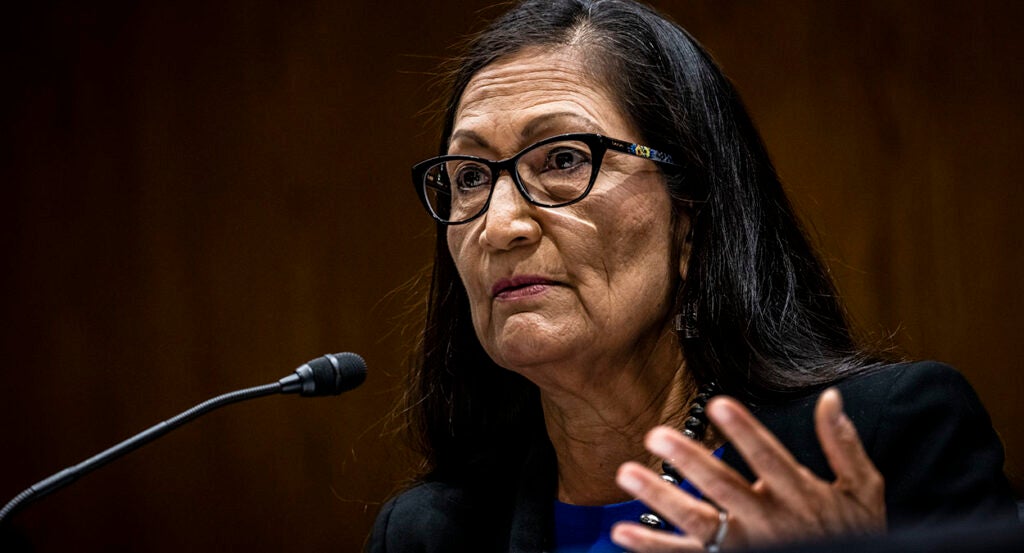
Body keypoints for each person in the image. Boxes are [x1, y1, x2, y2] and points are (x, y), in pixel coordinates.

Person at [369, 1, 1018, 551]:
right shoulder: (431, 532)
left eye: (563, 158)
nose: (499, 224)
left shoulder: (884, 442)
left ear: (692, 218)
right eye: (471, 177)